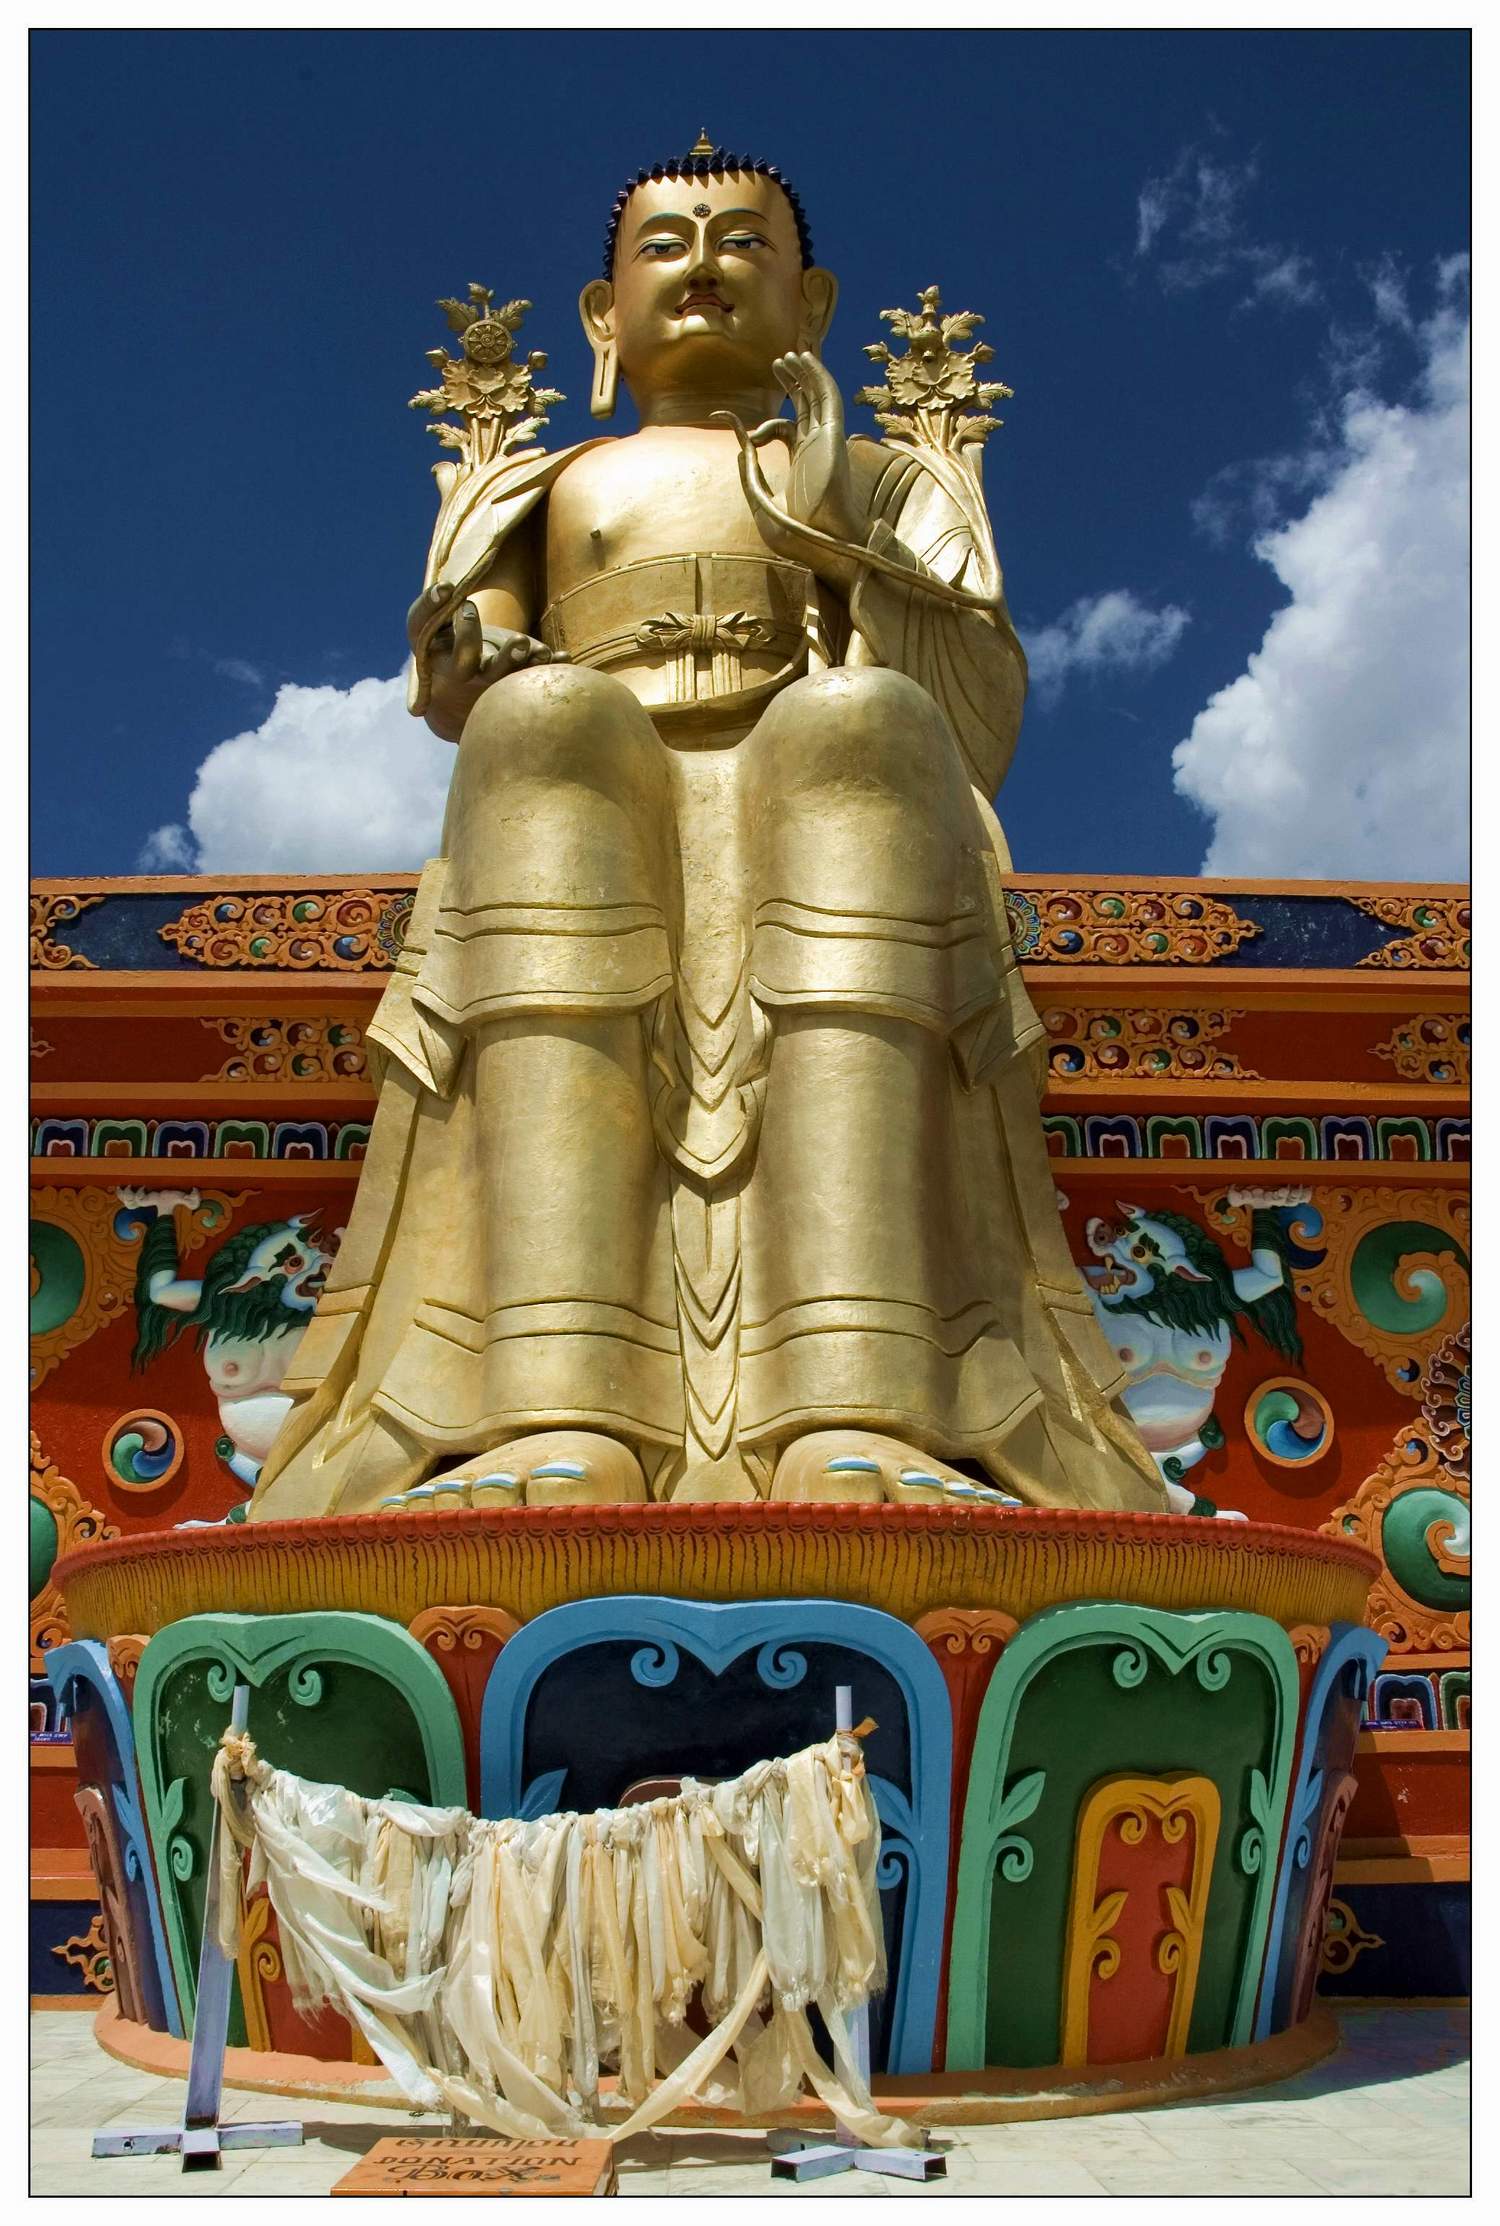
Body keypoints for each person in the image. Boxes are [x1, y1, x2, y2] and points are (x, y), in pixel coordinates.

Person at [249, 143, 1165, 1521]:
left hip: (817, 787)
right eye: (666, 246)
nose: (704, 269)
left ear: (813, 303)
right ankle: (559, 1405)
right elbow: (459, 674)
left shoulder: (863, 472)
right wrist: (474, 649)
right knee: (542, 720)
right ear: (602, 317)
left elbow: (970, 704)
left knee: (861, 718)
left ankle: (859, 1402)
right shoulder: (554, 485)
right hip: (589, 789)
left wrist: (830, 523)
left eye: (744, 243)